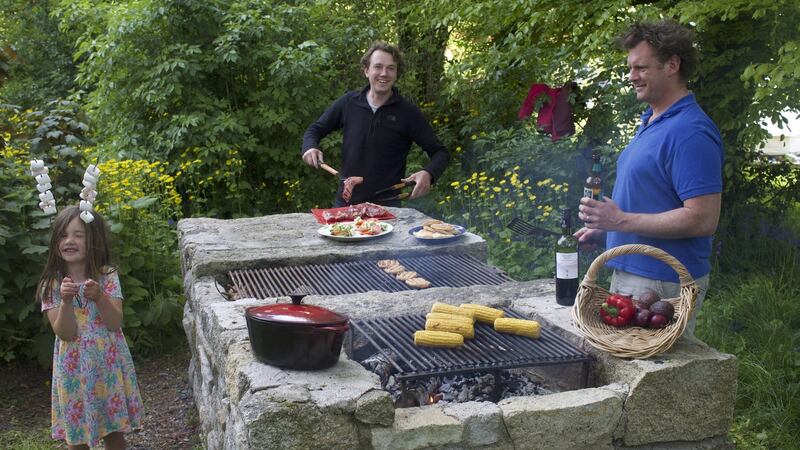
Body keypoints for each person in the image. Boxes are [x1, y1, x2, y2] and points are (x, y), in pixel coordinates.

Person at [575, 21, 723, 334]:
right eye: (630, 68)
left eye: (640, 67)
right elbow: (654, 200)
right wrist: (609, 232)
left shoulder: (690, 131)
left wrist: (620, 221)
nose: (631, 76)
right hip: (635, 269)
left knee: (656, 376)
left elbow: (703, 219)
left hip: (662, 281)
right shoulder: (654, 121)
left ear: (672, 65)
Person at [36, 206, 143, 449]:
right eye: (63, 235)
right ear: (55, 242)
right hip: (73, 370)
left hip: (108, 364)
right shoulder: (52, 284)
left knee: (114, 432)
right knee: (77, 437)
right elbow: (64, 333)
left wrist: (100, 298)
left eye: (78, 235)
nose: (69, 241)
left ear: (92, 239)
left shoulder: (107, 276)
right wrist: (65, 302)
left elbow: (115, 323)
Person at [301, 41, 449, 206]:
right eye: (378, 66)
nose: (384, 73)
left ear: (396, 73)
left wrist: (428, 173)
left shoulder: (408, 113)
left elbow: (440, 152)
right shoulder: (349, 103)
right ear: (366, 70)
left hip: (388, 209)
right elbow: (316, 129)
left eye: (391, 68)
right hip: (346, 205)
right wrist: (309, 146)